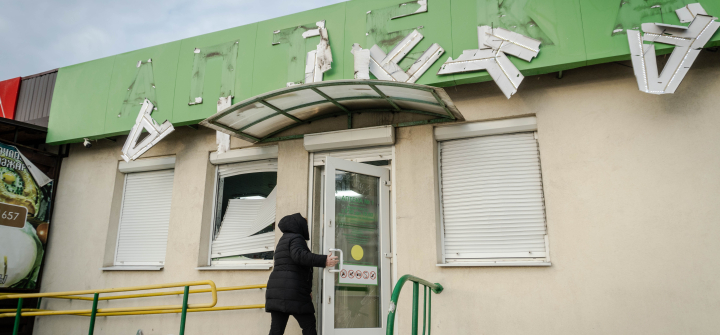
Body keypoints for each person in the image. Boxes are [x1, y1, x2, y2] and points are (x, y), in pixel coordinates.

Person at [266, 213, 339, 335]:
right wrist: (324, 260)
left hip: (277, 291)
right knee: (308, 325)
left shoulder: (283, 239)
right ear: (299, 225)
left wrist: (307, 290)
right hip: (292, 291)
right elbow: (299, 256)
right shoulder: (296, 238)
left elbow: (293, 267)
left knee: (276, 330)